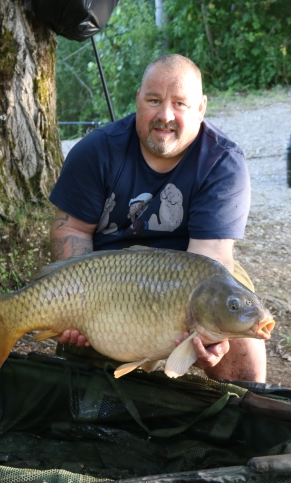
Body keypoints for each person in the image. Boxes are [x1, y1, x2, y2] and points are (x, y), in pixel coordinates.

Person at [48, 54, 266, 382]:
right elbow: (72, 228)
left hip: (186, 276)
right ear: (137, 100)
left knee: (232, 333)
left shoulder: (222, 163)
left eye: (180, 103)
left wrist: (207, 336)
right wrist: (78, 303)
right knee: (84, 362)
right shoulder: (96, 151)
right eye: (154, 100)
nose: (165, 115)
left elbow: (211, 262)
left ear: (201, 107)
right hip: (108, 275)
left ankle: (238, 417)